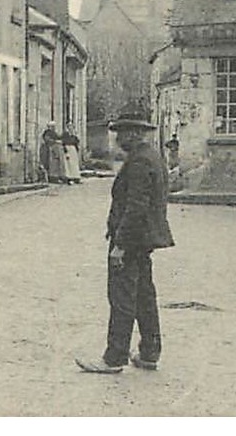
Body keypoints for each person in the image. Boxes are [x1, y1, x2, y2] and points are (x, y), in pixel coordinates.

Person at [76, 99, 175, 374]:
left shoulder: (140, 162)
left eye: (121, 132)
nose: (117, 138)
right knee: (144, 295)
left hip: (131, 240)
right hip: (143, 240)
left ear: (133, 133)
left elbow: (135, 208)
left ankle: (114, 357)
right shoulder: (151, 156)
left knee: (121, 297)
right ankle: (149, 352)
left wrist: (119, 245)